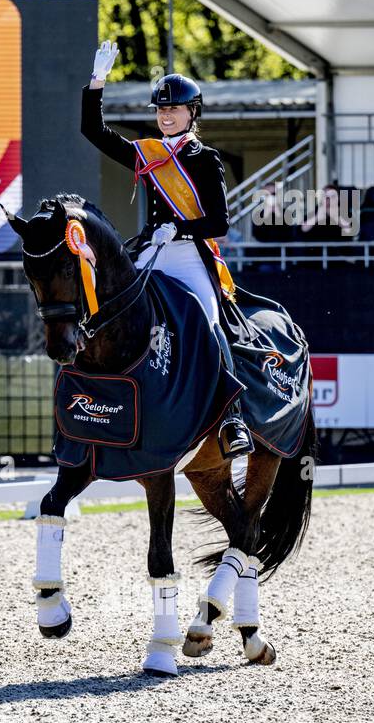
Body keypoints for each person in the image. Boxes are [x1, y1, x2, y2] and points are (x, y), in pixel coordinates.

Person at [82, 39, 252, 459]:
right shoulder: (147, 153)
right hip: (150, 253)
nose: (165, 115)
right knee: (108, 307)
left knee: (211, 325)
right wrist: (96, 81)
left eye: (173, 109)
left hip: (190, 256)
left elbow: (219, 223)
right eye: (160, 109)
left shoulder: (204, 158)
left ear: (192, 114)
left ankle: (232, 419)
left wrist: (177, 228)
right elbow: (93, 132)